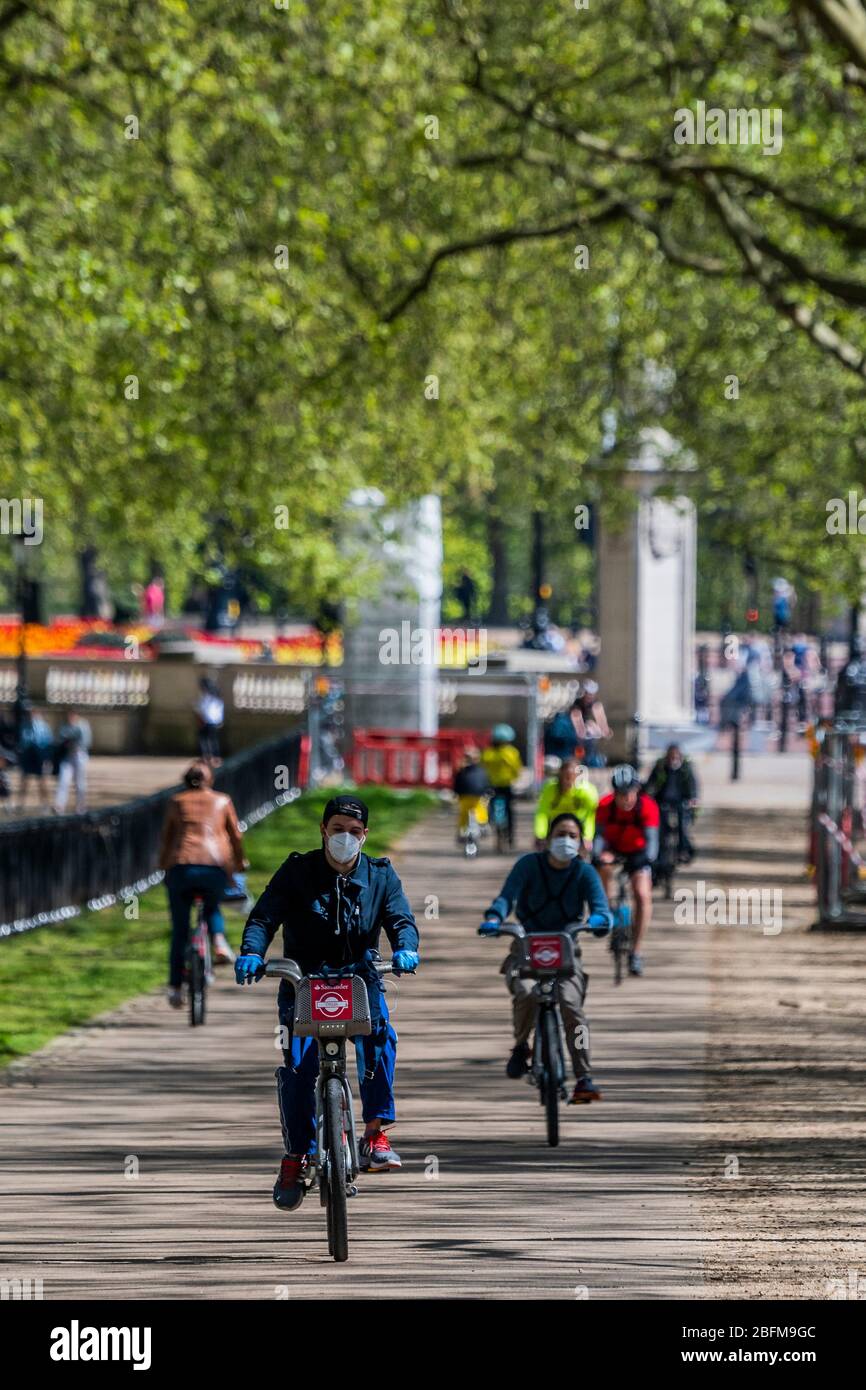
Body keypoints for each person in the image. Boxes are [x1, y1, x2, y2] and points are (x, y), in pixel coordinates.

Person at [234, 794, 420, 1210]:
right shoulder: (297, 871)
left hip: (359, 979)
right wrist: (252, 951)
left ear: (365, 835)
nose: (346, 838)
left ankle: (375, 1133)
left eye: (355, 832)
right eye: (338, 830)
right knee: (298, 1067)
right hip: (303, 982)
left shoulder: (381, 876)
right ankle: (297, 1155)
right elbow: (265, 915)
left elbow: (400, 919)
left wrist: (405, 947)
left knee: (380, 1039)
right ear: (323, 830)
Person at [480, 812, 612, 1103]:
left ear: (581, 843)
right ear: (548, 839)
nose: (566, 841)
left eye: (572, 836)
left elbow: (600, 907)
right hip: (526, 948)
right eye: (560, 835)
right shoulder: (528, 865)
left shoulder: (585, 873)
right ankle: (520, 1045)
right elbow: (506, 897)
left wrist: (601, 919)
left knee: (572, 1007)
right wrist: (494, 917)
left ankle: (584, 1077)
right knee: (525, 993)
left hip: (566, 953)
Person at [158, 761, 245, 1008]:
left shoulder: (177, 801)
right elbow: (235, 835)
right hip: (214, 865)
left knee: (180, 929)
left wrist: (164, 865)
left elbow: (167, 837)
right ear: (210, 780)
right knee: (212, 906)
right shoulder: (222, 800)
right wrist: (240, 862)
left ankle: (175, 988)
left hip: (181, 866)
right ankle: (218, 940)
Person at [593, 764, 660, 977]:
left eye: (630, 793)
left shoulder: (648, 807)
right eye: (621, 794)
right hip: (613, 849)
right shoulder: (604, 806)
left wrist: (644, 861)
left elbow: (652, 843)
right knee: (602, 867)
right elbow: (598, 838)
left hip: (639, 852)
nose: (626, 799)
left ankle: (636, 950)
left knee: (641, 894)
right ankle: (607, 907)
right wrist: (600, 855)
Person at [643, 744, 698, 863]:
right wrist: (647, 796)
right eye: (671, 757)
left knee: (682, 826)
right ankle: (659, 854)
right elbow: (650, 784)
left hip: (680, 801)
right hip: (662, 801)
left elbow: (692, 785)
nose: (673, 760)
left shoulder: (685, 768)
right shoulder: (660, 767)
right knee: (659, 828)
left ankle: (683, 850)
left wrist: (693, 799)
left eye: (676, 757)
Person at [533, 756, 599, 853]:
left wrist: (587, 837)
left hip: (577, 830)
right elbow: (542, 813)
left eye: (572, 777)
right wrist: (540, 835)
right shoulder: (550, 789)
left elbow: (590, 816)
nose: (568, 781)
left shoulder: (588, 791)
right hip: (555, 829)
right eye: (565, 777)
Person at [480, 723, 523, 847]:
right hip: (503, 785)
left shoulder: (488, 753)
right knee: (508, 811)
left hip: (495, 786)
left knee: (499, 810)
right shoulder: (511, 753)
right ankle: (509, 836)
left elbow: (483, 767)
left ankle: (507, 835)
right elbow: (517, 769)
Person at [16, 704, 54, 813]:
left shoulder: (44, 727)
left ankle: (45, 805)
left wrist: (47, 759)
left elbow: (48, 743)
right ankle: (20, 805)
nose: (31, 715)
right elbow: (22, 742)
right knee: (24, 781)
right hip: (28, 756)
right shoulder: (25, 726)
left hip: (39, 756)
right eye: (30, 713)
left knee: (42, 782)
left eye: (34, 713)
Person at [53, 709, 92, 814]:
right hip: (67, 757)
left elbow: (86, 742)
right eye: (69, 715)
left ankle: (80, 806)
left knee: (80, 783)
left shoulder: (83, 725)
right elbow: (59, 740)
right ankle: (59, 806)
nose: (71, 717)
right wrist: (65, 742)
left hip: (79, 756)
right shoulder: (65, 726)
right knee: (63, 781)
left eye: (73, 715)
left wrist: (75, 741)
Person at [453, 746, 491, 841]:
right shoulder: (482, 771)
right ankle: (483, 824)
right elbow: (486, 784)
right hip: (478, 797)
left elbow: (457, 785)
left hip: (464, 797)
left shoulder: (462, 771)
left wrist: (456, 794)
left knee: (463, 813)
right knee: (481, 809)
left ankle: (461, 830)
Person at [570, 682, 611, 767]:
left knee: (591, 726)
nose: (589, 697)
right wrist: (582, 733)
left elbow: (601, 720)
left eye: (591, 694)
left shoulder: (596, 704)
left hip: (588, 731)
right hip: (575, 731)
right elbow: (577, 722)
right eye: (588, 694)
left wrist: (604, 731)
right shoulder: (577, 705)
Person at [195, 676, 224, 764]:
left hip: (206, 721)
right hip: (214, 722)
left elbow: (201, 709)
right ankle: (215, 756)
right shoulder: (218, 699)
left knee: (204, 740)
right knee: (213, 740)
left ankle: (207, 756)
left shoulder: (206, 698)